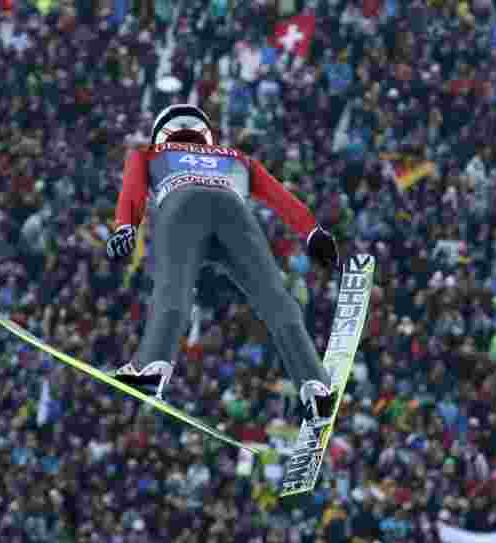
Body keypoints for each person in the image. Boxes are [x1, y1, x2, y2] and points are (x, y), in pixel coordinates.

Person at [106, 104, 340, 419]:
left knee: (174, 286)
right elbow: (281, 198)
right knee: (275, 299)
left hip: (182, 205)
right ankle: (316, 385)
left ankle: (152, 365)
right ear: (207, 134)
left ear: (162, 131)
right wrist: (313, 233)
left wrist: (125, 228)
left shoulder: (149, 152)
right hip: (235, 212)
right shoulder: (236, 158)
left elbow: (132, 193)